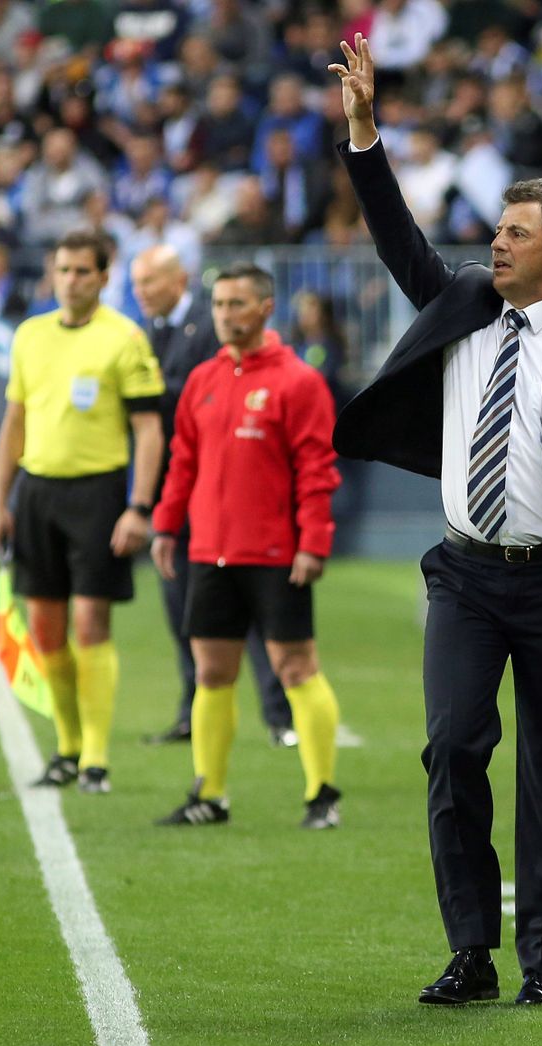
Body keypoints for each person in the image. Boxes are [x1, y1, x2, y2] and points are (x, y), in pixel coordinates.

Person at [328, 35, 542, 1007]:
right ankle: (471, 950)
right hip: (464, 575)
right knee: (454, 746)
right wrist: (365, 132)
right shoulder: (463, 298)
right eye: (498, 228)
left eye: (516, 233)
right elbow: (398, 236)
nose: (496, 242)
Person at [150, 264, 344, 830]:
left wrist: (313, 542)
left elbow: (317, 469)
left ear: (265, 308)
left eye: (237, 304)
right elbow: (182, 462)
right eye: (218, 304)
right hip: (210, 552)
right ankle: (209, 795)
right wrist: (165, 526)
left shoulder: (298, 381)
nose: (225, 314)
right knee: (211, 672)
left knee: (295, 667)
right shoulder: (203, 379)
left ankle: (322, 794)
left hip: (277, 555)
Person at [0, 231, 165, 796]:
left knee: (90, 623)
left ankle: (96, 758)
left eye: (83, 271)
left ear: (104, 278)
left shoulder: (124, 338)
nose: (71, 280)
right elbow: (15, 421)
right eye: (63, 270)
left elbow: (149, 429)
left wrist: (139, 506)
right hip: (37, 492)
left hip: (98, 494)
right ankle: (66, 747)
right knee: (45, 629)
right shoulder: (30, 335)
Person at [129, 244, 297, 749]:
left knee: (255, 612)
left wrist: (143, 393)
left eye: (150, 282)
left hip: (226, 491)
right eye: (136, 283)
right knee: (185, 609)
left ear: (179, 280)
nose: (141, 292)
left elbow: (205, 396)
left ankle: (280, 716)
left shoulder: (209, 325)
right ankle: (191, 710)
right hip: (178, 489)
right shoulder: (146, 333)